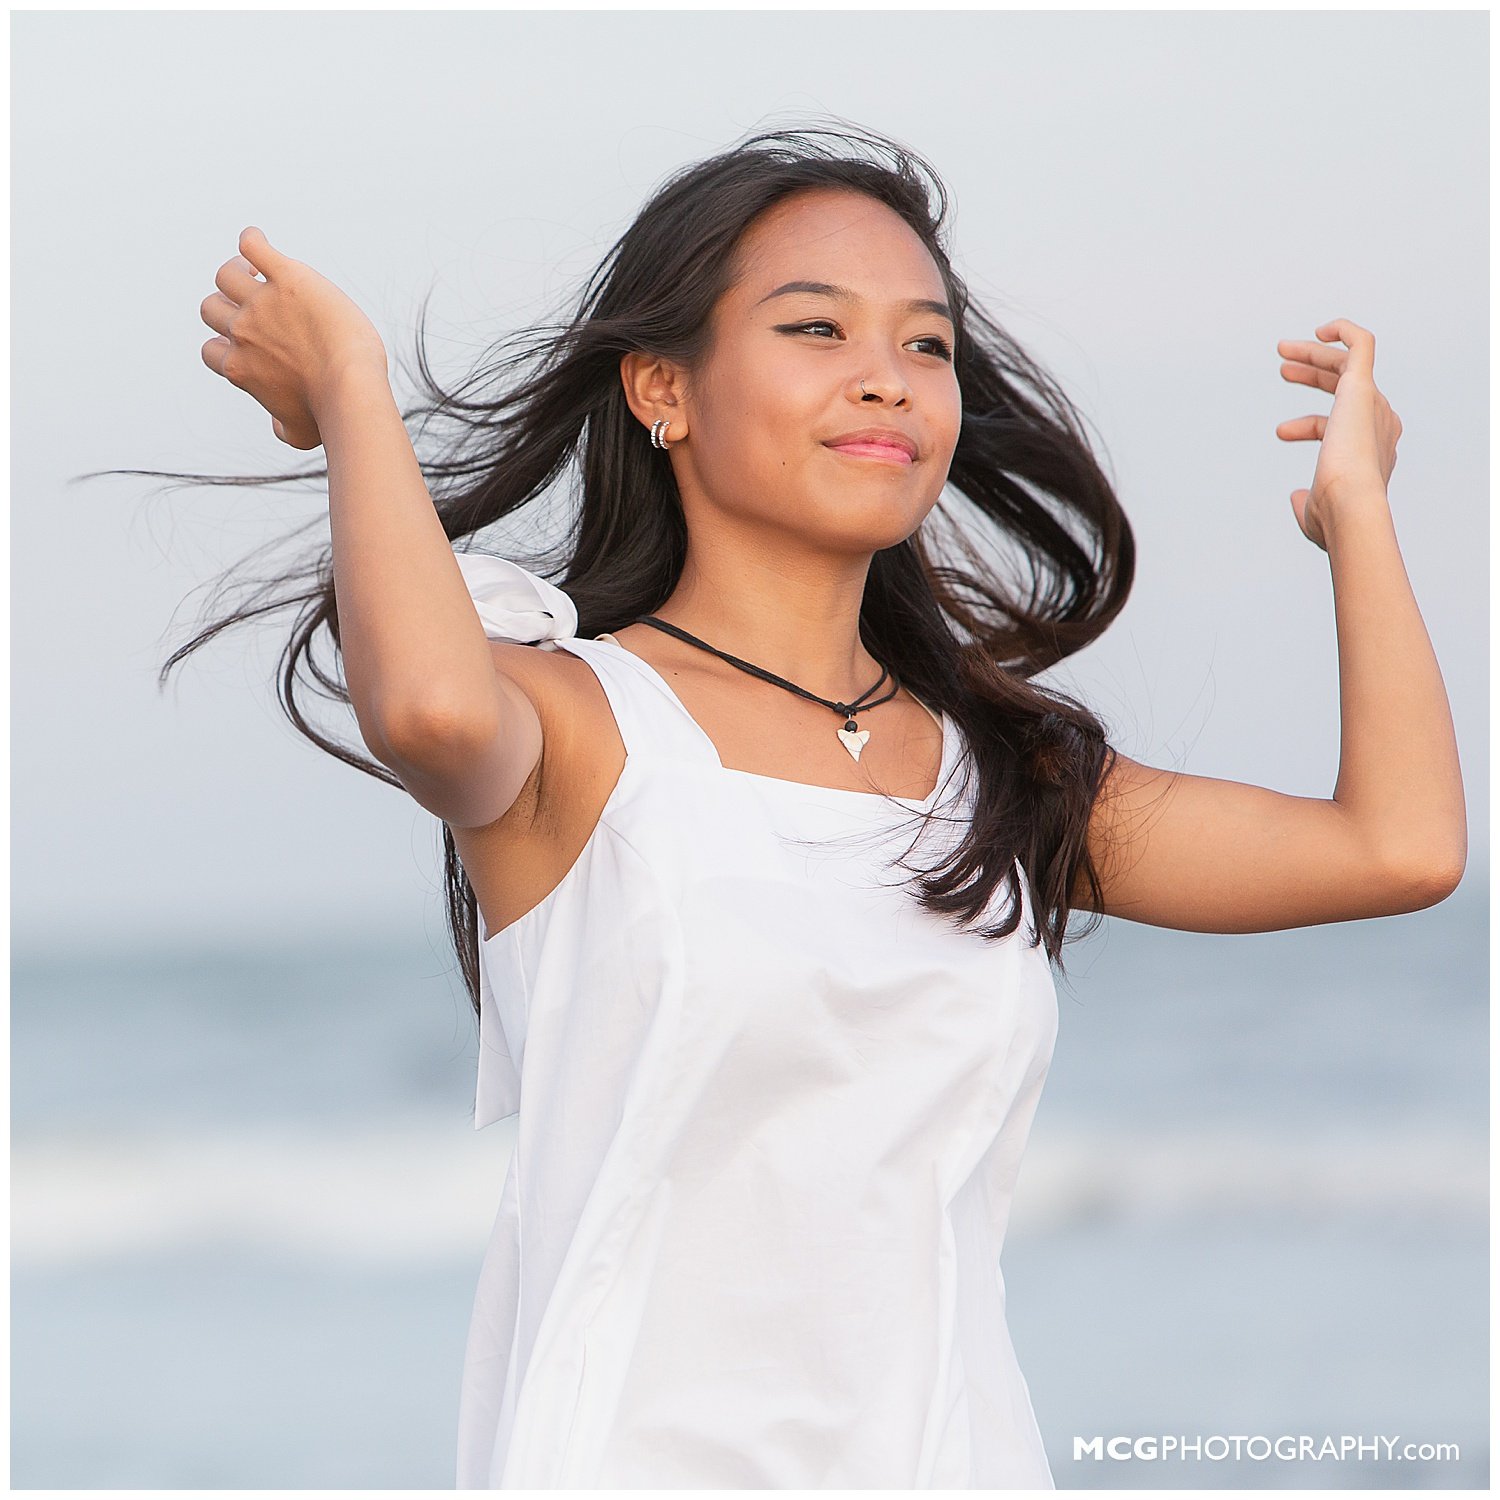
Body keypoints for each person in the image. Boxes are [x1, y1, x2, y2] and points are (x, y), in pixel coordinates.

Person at [142, 124, 1464, 1487]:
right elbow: (423, 709)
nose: (887, 381)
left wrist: (1358, 513)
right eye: (816, 330)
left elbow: (1400, 848)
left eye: (927, 345)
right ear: (665, 388)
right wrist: (356, 393)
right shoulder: (581, 723)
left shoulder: (1001, 779)